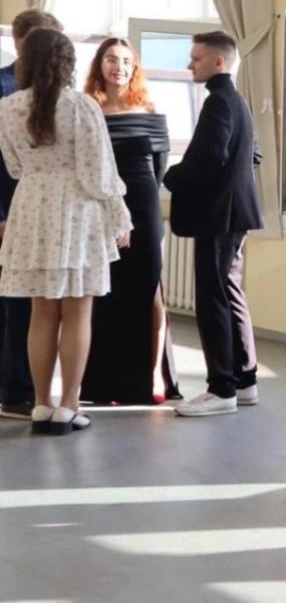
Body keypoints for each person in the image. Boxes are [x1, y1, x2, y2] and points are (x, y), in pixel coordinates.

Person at [0, 28, 132, 434]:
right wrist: (120, 218)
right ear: (67, 64)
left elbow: (14, 167)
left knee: (41, 311)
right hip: (77, 212)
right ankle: (69, 405)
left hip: (32, 209)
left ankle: (41, 404)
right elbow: (99, 174)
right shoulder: (81, 106)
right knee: (77, 311)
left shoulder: (7, 107)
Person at [164, 31, 263, 417]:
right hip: (235, 213)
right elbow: (253, 155)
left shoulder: (219, 102)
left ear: (218, 62)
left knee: (212, 298)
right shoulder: (238, 101)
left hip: (219, 216)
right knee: (230, 292)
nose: (190, 64)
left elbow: (210, 157)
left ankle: (221, 388)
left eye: (196, 58)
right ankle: (245, 381)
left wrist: (171, 177)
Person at [79, 38, 182, 405]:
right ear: (100, 64)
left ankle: (150, 378)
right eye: (111, 59)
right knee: (103, 293)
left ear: (134, 68)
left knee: (148, 290)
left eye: (125, 61)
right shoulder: (86, 111)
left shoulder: (151, 112)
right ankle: (102, 384)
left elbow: (159, 169)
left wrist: (137, 211)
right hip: (98, 209)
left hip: (143, 208)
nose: (118, 67)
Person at [0, 9, 62, 420]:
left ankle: (21, 387)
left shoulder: (60, 94)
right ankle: (16, 391)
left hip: (39, 215)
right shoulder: (3, 87)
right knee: (16, 305)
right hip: (10, 210)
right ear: (20, 41)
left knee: (26, 305)